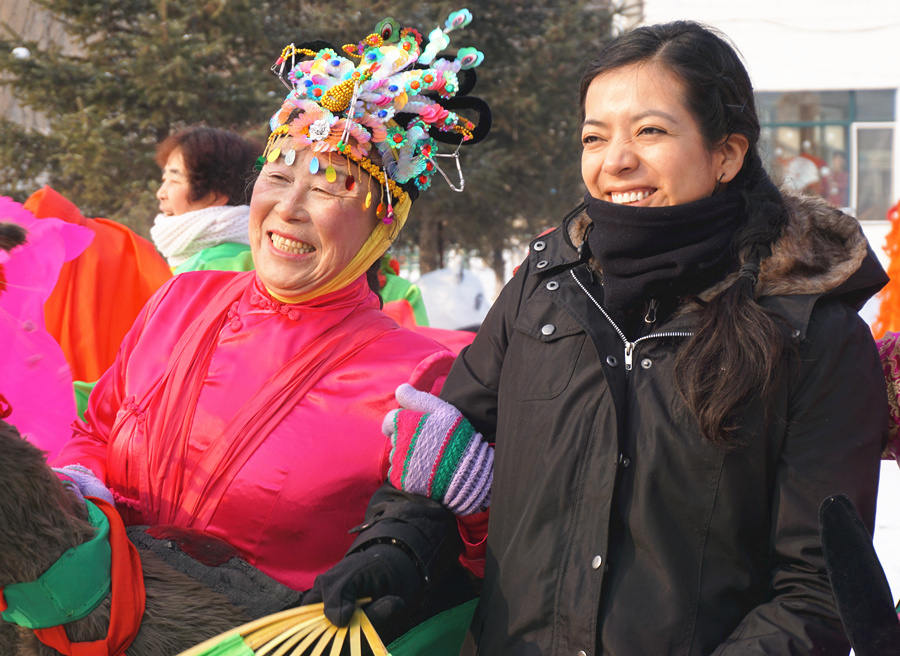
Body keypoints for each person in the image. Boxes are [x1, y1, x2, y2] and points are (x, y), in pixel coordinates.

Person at [309, 21, 889, 654]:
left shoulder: (811, 334)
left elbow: (815, 589)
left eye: (651, 131)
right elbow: (444, 448)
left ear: (726, 153)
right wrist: (395, 548)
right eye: (594, 136)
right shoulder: (546, 287)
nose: (616, 161)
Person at [49, 7, 489, 633]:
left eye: (330, 188)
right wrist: (78, 484)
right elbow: (94, 431)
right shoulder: (181, 301)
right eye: (278, 176)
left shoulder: (418, 376)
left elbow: (459, 557)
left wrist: (471, 512)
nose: (289, 208)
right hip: (97, 625)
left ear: (383, 224)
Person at [23, 186, 172, 384]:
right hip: (124, 390)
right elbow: (166, 302)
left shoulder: (28, 261)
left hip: (58, 393)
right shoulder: (121, 242)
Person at [151, 125, 259, 273]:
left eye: (175, 180)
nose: (161, 193)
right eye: (164, 179)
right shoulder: (254, 255)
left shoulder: (213, 267)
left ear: (215, 196)